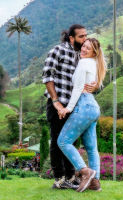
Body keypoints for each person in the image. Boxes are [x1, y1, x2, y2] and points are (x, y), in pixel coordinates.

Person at [42, 24, 96, 190]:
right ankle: (59, 178)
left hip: (75, 107)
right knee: (57, 142)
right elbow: (47, 76)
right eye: (81, 36)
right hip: (58, 105)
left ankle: (72, 177)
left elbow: (88, 79)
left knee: (71, 141)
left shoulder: (83, 56)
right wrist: (56, 101)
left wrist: (94, 86)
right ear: (71, 38)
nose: (85, 39)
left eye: (86, 36)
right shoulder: (58, 51)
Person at [57, 38, 106, 192]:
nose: (84, 49)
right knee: (91, 148)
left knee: (63, 142)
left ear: (93, 52)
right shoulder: (95, 64)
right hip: (93, 107)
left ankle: (85, 172)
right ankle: (95, 183)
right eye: (84, 46)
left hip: (84, 104)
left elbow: (78, 88)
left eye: (88, 48)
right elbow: (91, 85)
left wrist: (68, 108)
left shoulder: (84, 63)